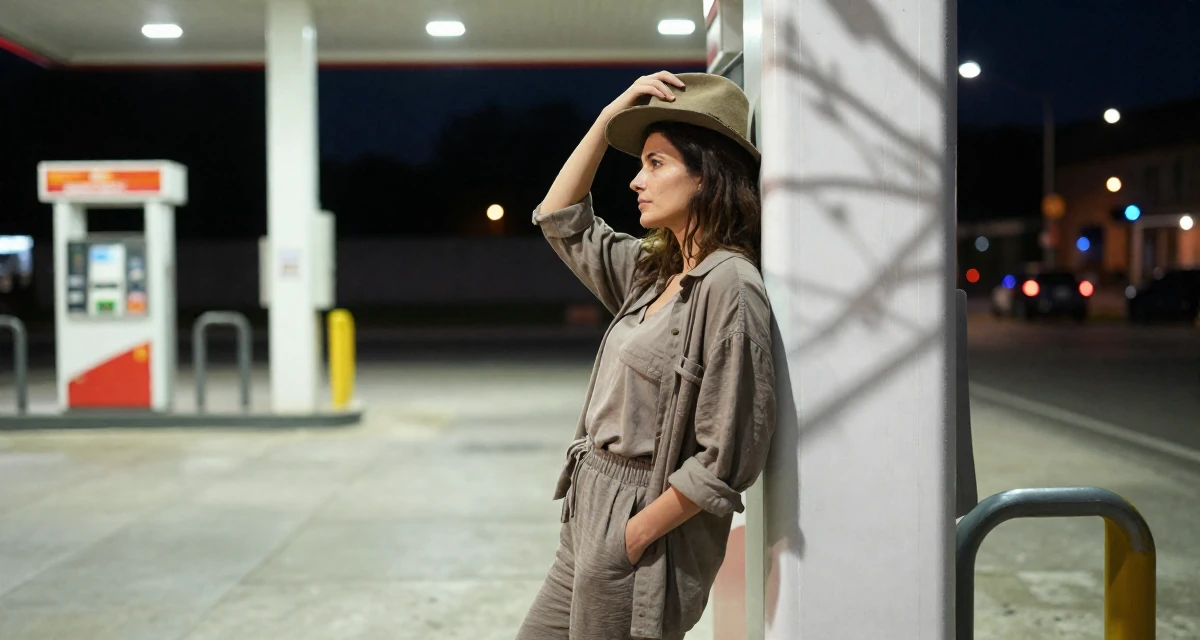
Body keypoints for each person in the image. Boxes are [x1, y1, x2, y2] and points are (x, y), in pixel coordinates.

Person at [517, 71, 777, 640]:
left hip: (643, 522)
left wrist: (632, 535)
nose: (637, 180)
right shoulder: (654, 271)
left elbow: (728, 454)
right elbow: (560, 219)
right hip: (589, 512)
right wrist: (610, 117)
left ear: (707, 176)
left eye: (656, 163)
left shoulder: (729, 286)